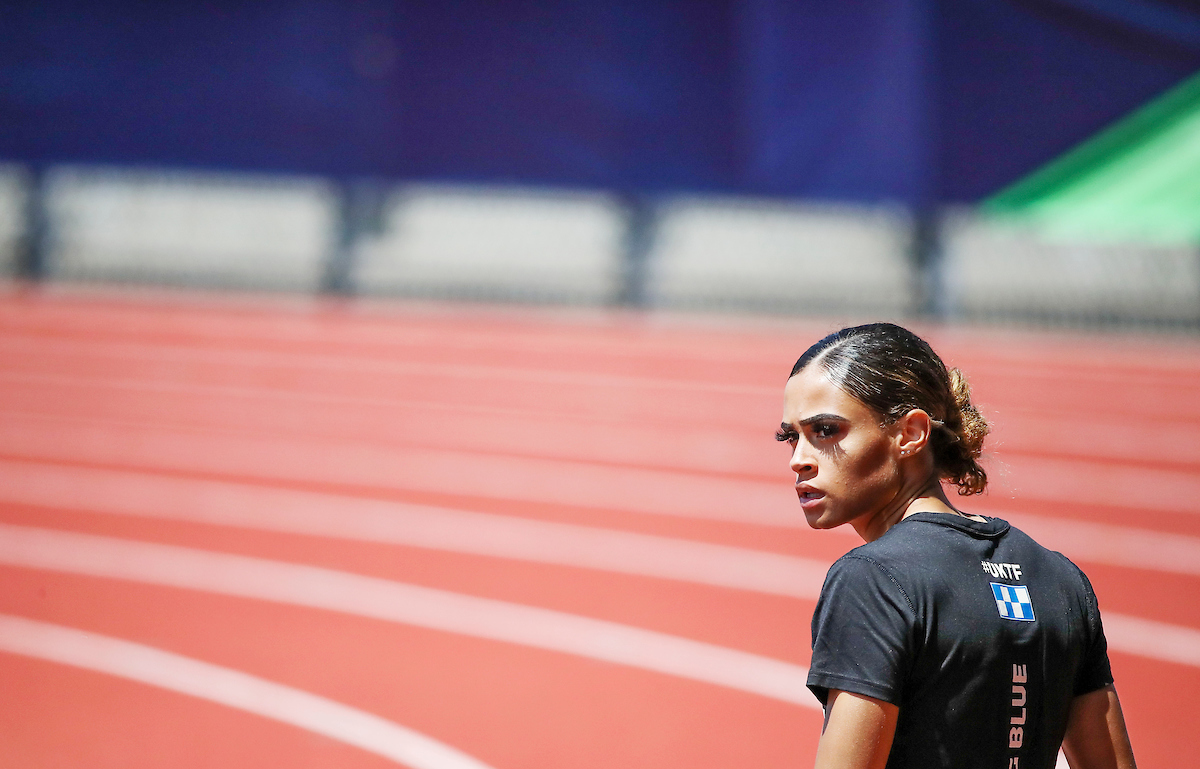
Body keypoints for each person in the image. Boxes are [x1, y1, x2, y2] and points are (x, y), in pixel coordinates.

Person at [777, 323, 1136, 769]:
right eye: (790, 437)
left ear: (910, 433)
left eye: (826, 430)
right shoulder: (1060, 578)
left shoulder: (874, 580)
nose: (798, 459)